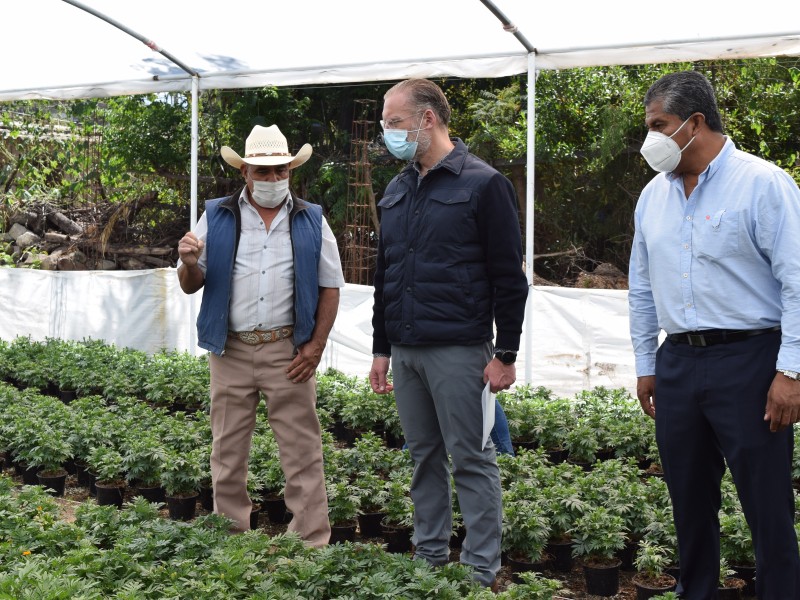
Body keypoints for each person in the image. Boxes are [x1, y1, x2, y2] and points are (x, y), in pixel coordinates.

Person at [628, 70, 800, 598]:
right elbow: (641, 285)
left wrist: (790, 371)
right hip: (678, 361)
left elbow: (797, 281)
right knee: (687, 497)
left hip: (750, 360)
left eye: (660, 124)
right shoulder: (652, 197)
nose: (650, 137)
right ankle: (695, 591)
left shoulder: (764, 184)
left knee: (766, 502)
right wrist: (647, 364)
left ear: (694, 123)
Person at [369, 78, 529, 589]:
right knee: (423, 457)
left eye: (394, 122)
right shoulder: (396, 189)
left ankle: (482, 569)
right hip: (407, 348)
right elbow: (386, 274)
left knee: (472, 458)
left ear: (427, 120)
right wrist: (381, 348)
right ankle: (430, 558)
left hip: (460, 348)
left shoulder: (483, 184)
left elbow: (510, 277)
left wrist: (505, 352)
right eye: (385, 124)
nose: (387, 133)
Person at [177, 124, 344, 547]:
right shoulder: (216, 214)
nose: (272, 180)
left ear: (291, 171)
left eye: (279, 172)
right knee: (227, 451)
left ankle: (310, 542)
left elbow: (330, 285)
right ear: (244, 173)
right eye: (262, 172)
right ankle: (231, 537)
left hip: (287, 350)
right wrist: (191, 262)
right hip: (230, 350)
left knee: (302, 451)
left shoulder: (311, 219)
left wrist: (315, 346)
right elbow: (190, 283)